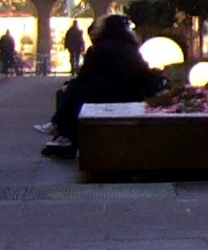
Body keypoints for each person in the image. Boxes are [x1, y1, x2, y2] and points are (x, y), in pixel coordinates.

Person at [42, 16, 163, 159]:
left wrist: (70, 85)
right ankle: (60, 131)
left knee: (67, 91)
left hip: (102, 95)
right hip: (131, 94)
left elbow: (85, 74)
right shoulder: (132, 48)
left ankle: (64, 134)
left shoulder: (99, 48)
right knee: (74, 89)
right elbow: (142, 71)